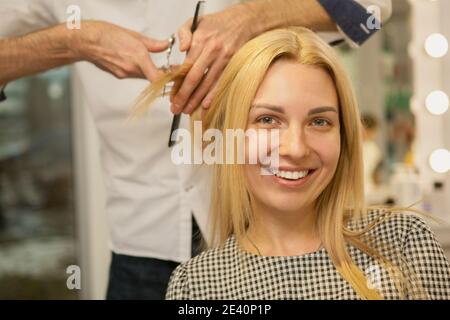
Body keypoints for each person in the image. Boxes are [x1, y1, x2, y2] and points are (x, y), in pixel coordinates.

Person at [0, 0, 393, 299]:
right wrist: (72, 40)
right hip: (139, 256)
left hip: (265, 243)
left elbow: (373, 9)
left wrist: (251, 17)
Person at [164, 27, 450, 299]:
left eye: (319, 121)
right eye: (267, 120)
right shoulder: (196, 285)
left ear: (344, 137)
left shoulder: (402, 244)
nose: (296, 148)